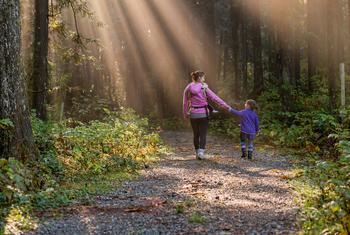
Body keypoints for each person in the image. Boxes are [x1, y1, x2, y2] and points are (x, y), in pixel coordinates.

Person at [183, 71, 230, 160]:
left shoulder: (188, 87)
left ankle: (197, 153)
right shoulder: (204, 87)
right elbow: (215, 98)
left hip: (193, 114)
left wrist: (185, 113)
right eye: (203, 77)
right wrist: (225, 106)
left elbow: (185, 103)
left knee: (196, 134)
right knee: (203, 134)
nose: (204, 79)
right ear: (200, 78)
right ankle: (201, 153)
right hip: (203, 114)